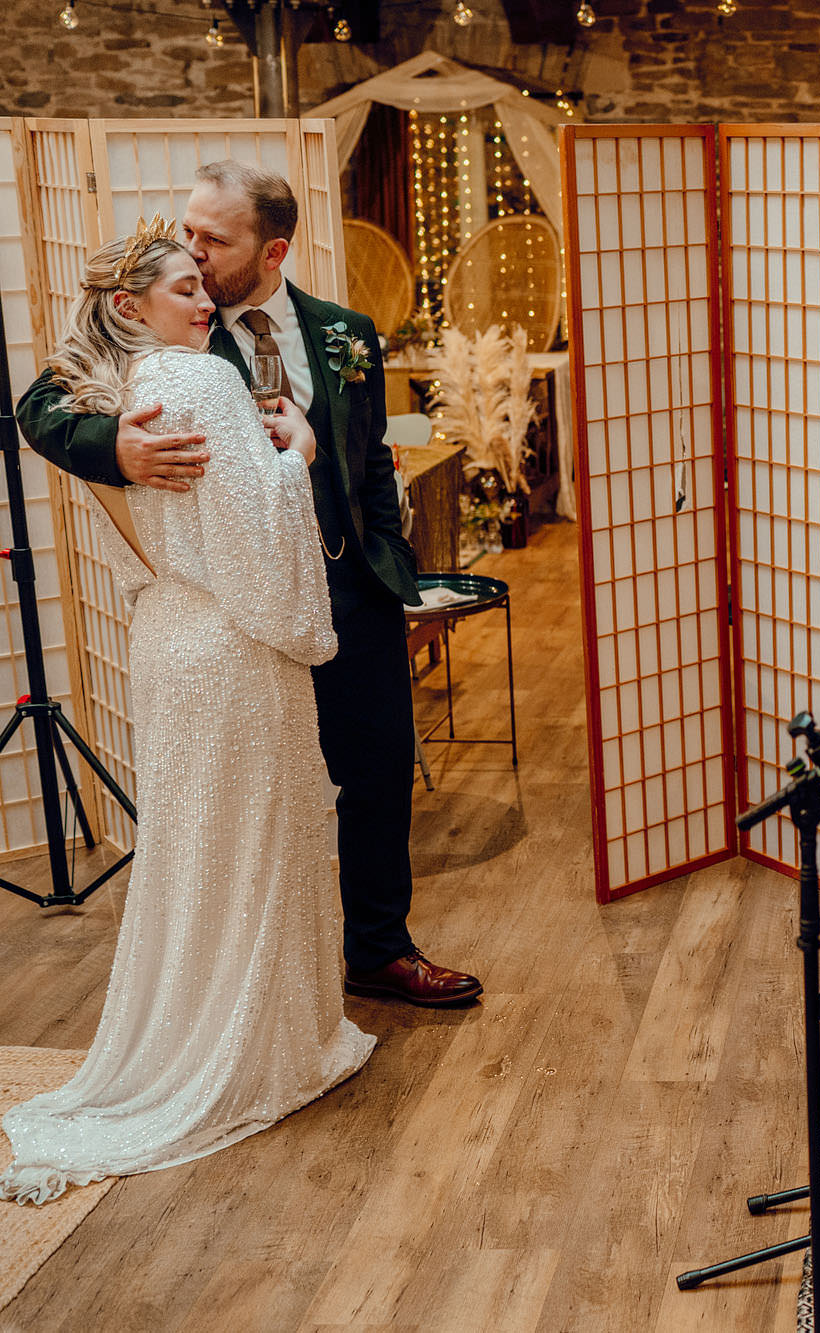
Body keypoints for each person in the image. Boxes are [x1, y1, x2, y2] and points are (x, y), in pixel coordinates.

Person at [16, 161, 480, 1005]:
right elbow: (38, 404)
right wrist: (111, 448)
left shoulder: (344, 332)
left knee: (375, 776)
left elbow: (371, 457)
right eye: (189, 230)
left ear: (273, 249)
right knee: (266, 795)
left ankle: (380, 949)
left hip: (353, 592)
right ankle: (266, 976)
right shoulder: (169, 336)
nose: (189, 247)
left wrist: (389, 560)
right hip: (243, 609)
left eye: (212, 239)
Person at [0, 225, 373, 1203]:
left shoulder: (115, 389)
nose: (204, 299)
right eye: (182, 286)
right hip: (235, 652)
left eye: (203, 282)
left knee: (197, 856)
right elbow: (257, 552)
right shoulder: (199, 382)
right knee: (257, 849)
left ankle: (206, 1035)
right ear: (131, 305)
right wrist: (292, 458)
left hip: (166, 638)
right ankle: (267, 1052)